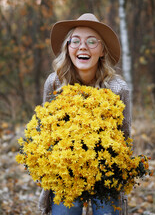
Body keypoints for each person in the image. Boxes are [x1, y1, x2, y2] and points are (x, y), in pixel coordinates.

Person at [38, 13, 131, 215]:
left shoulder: (118, 88)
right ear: (68, 47)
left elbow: (124, 136)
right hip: (66, 174)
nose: (83, 47)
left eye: (91, 41)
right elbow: (44, 130)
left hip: (105, 171)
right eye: (75, 41)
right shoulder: (55, 84)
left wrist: (116, 170)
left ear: (103, 51)